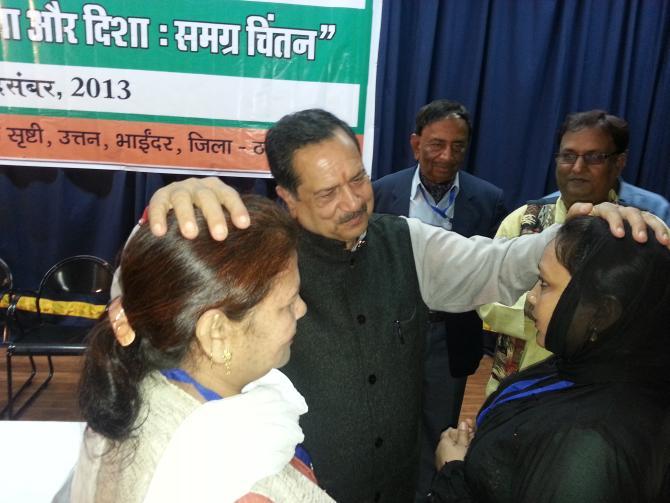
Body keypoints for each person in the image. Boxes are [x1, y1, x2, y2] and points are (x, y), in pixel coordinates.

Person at [131, 109, 666, 503]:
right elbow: (145, 301)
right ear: (287, 198)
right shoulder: (259, 260)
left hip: (405, 486)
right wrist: (167, 209)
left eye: (356, 179)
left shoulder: (408, 242)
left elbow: (504, 263)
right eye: (326, 193)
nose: (352, 202)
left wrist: (590, 233)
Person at [56, 196, 335, 503]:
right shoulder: (234, 480)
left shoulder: (136, 376)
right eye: (287, 304)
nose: (302, 309)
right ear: (217, 334)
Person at [430, 215, 670, 502]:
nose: (530, 298)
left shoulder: (590, 446)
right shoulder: (581, 363)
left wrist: (453, 470)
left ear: (602, 313)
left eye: (544, 284)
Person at [479, 109, 670, 395]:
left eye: (594, 157)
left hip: (604, 396)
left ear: (619, 162)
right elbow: (485, 299)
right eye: (568, 155)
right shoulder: (523, 221)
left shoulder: (639, 230)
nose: (577, 168)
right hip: (515, 386)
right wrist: (540, 306)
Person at [373, 99, 507, 495]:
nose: (447, 156)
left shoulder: (488, 199)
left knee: (438, 425)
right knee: (389, 420)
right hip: (391, 332)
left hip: (449, 335)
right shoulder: (382, 193)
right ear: (416, 145)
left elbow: (492, 270)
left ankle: (434, 494)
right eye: (436, 144)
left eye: (458, 145)